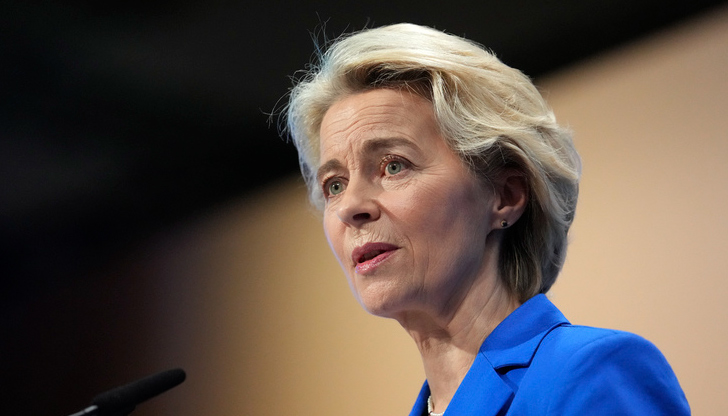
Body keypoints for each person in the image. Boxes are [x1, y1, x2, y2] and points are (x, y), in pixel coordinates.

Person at [281, 23, 689, 415]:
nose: (350, 206)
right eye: (335, 184)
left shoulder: (590, 373)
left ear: (505, 196)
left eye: (394, 165)